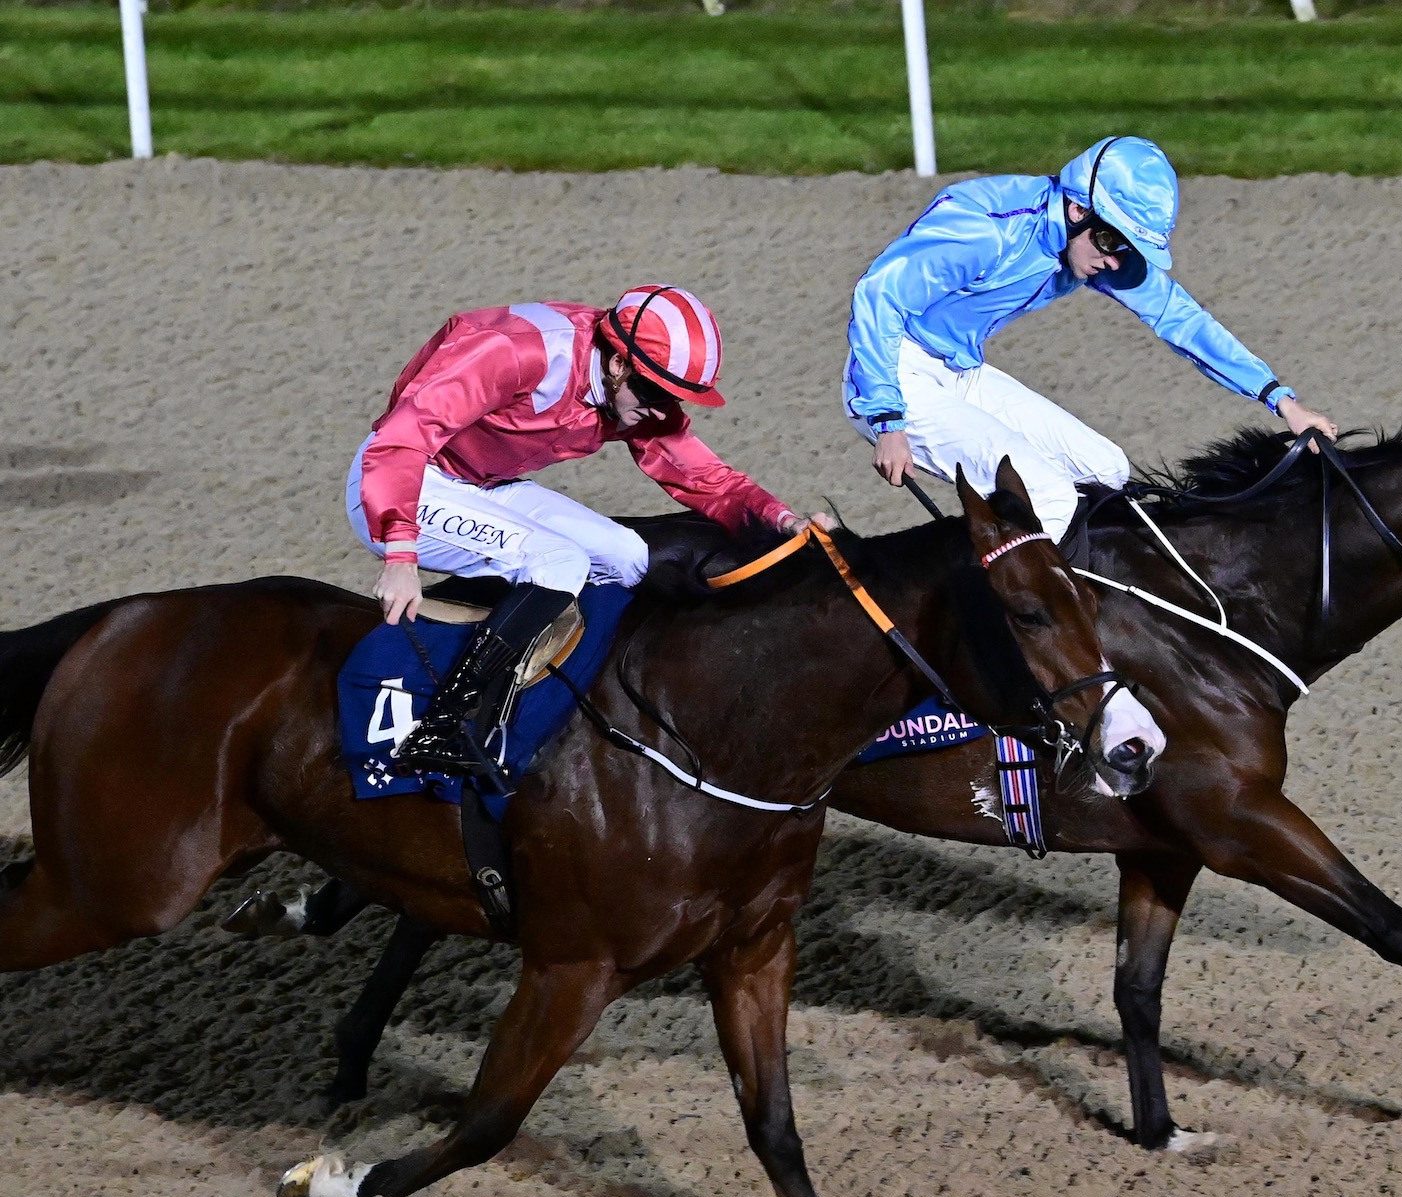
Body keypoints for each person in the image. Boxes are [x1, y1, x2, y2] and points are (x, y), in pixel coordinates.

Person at [345, 284, 827, 779]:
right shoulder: (516, 352)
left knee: (626, 557)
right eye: (657, 393)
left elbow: (700, 475)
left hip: (481, 483)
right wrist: (400, 554)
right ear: (618, 364)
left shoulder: (632, 383)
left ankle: (552, 680)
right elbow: (399, 441)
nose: (663, 411)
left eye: (676, 399)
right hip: (398, 482)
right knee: (561, 562)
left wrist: (782, 520)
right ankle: (445, 725)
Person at [845, 135, 1339, 541]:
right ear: (1078, 207)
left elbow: (1181, 318)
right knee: (1054, 497)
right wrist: (888, 419)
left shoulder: (1091, 242)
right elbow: (878, 297)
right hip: (893, 378)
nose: (1116, 261)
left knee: (1107, 471)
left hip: (961, 371)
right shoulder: (985, 233)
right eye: (1113, 240)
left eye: (1129, 246)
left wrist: (1281, 401)